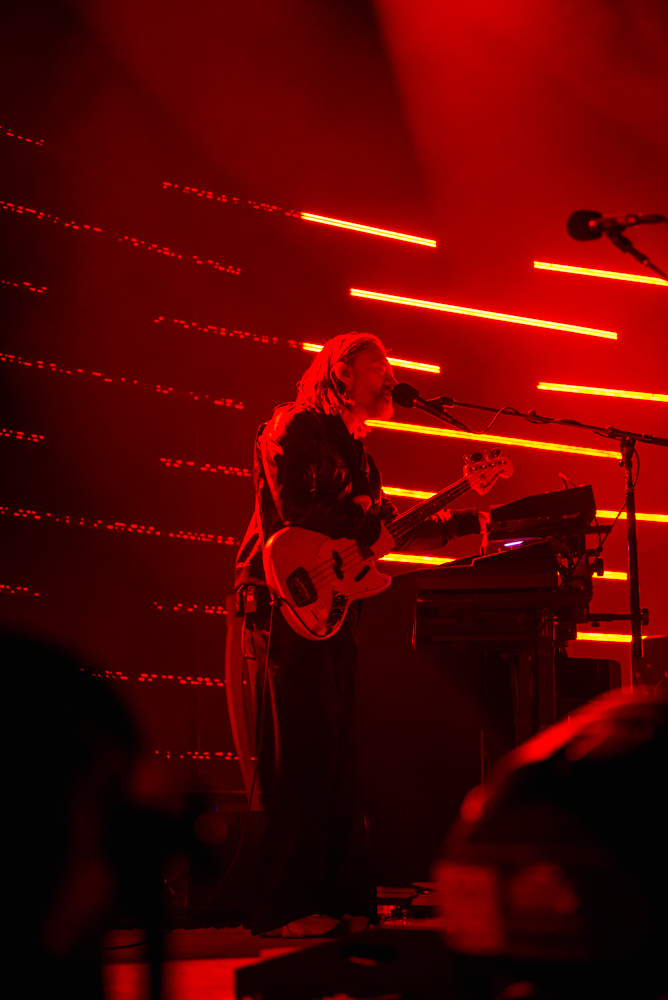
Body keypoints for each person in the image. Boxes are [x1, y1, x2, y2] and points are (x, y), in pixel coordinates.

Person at [235, 331, 485, 938]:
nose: (391, 379)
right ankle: (287, 906)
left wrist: (459, 518)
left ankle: (340, 898)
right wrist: (368, 528)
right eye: (380, 369)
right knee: (302, 752)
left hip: (337, 607)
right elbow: (297, 509)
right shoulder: (292, 427)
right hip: (287, 596)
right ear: (342, 373)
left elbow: (384, 534)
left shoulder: (362, 456)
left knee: (341, 752)